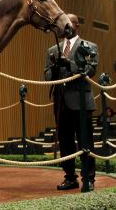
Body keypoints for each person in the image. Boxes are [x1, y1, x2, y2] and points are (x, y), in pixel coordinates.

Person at [44, 14, 99, 191]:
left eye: (69, 24)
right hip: (60, 102)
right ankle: (70, 178)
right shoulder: (53, 50)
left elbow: (91, 70)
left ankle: (89, 178)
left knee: (86, 141)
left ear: (77, 25)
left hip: (81, 101)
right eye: (63, 24)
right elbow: (47, 77)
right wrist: (54, 67)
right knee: (65, 141)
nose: (65, 27)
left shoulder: (90, 46)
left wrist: (70, 64)